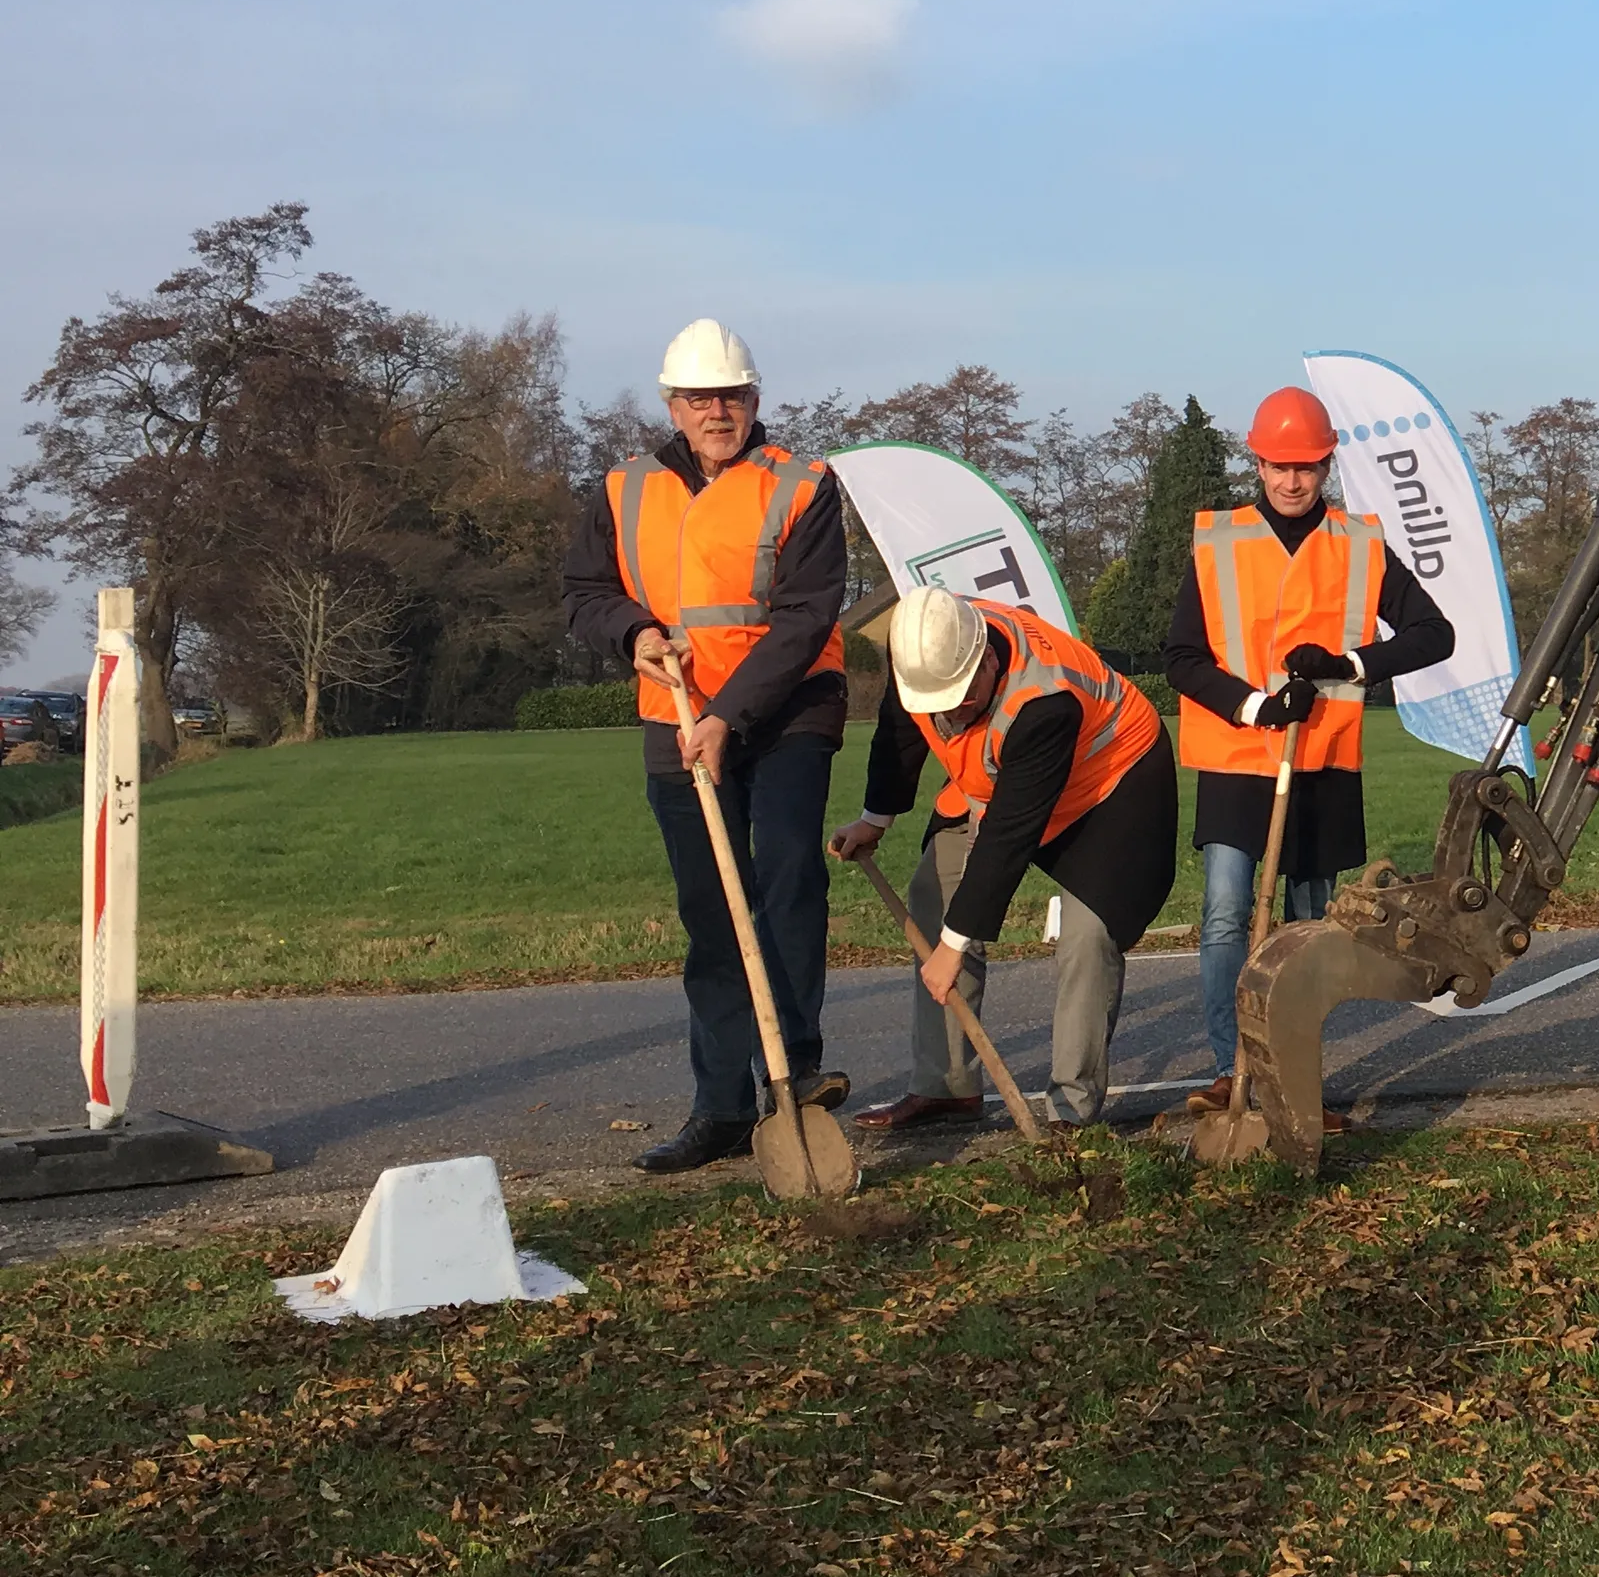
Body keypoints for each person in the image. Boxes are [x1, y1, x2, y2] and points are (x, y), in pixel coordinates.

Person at [562, 319, 850, 1173]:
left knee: (789, 878)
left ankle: (794, 1071)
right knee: (711, 909)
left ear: (754, 400)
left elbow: (806, 617)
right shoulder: (624, 488)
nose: (716, 412)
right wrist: (633, 633)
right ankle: (720, 1106)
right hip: (676, 716)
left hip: (788, 710)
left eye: (730, 397)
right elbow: (584, 592)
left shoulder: (802, 483)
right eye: (699, 399)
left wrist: (731, 715)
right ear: (673, 406)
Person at [1167, 386, 1455, 1111]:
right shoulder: (1218, 543)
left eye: (1306, 467)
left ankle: (1291, 1077)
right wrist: (1255, 705)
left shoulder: (1359, 545)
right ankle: (1230, 1067)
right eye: (1279, 466)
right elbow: (1181, 658)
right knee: (1227, 915)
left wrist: (1347, 664)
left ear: (1326, 466)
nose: (1292, 481)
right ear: (1258, 464)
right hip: (1237, 758)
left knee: (1305, 928)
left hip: (1320, 761)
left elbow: (1434, 634)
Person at [832, 588, 1178, 1129]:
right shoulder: (924, 653)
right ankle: (946, 1088)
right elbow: (900, 732)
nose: (949, 713)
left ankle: (1070, 1109)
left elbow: (1008, 837)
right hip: (998, 779)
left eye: (961, 698)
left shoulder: (1045, 699)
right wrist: (875, 819)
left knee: (1088, 936)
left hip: (1108, 782)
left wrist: (952, 948)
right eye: (937, 703)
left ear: (988, 659)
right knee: (932, 894)